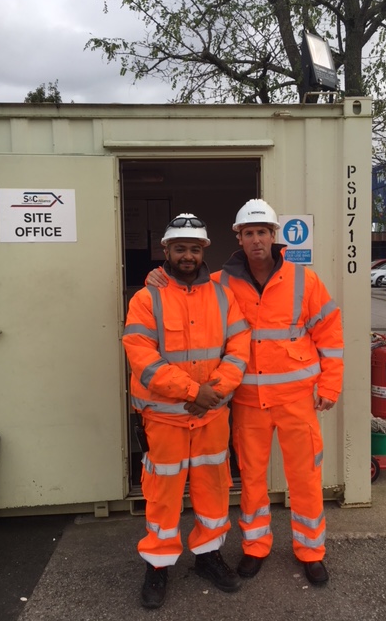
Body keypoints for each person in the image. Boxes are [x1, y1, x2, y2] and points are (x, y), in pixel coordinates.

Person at [146, 200, 344, 587]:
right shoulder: (220, 281)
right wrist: (157, 276)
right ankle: (255, 547)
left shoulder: (305, 280)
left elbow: (330, 335)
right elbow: (183, 288)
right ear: (239, 237)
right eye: (249, 233)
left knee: (305, 477)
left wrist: (330, 384)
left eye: (263, 232)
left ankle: (311, 551)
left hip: (297, 400)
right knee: (251, 479)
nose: (256, 240)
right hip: (248, 402)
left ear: (274, 236)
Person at [123, 213, 251, 609]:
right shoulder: (147, 298)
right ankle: (157, 565)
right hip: (165, 418)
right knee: (163, 494)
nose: (188, 255)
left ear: (203, 252)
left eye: (194, 249)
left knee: (213, 488)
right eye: (180, 248)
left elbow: (239, 346)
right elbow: (141, 357)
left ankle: (208, 555)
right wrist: (194, 391)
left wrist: (215, 391)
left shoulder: (221, 295)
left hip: (211, 415)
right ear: (166, 250)